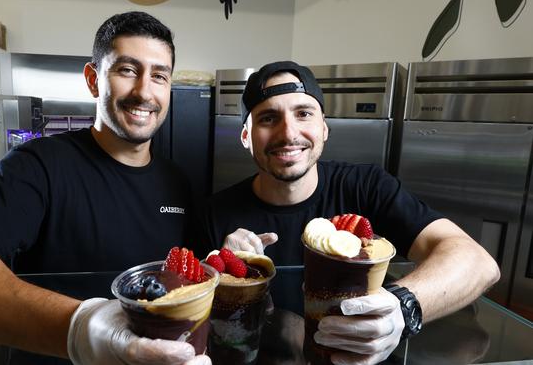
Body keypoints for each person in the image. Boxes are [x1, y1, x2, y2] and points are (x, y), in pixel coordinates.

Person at [0, 12, 210, 365]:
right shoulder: (40, 165)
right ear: (93, 80)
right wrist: (83, 329)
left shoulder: (179, 183)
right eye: (127, 70)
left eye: (159, 76)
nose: (144, 91)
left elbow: (195, 282)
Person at [198, 61, 500, 364]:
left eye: (303, 114)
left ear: (324, 127)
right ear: (246, 137)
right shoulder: (215, 213)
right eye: (268, 118)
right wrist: (222, 285)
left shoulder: (366, 187)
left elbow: (478, 262)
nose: (288, 132)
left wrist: (402, 306)